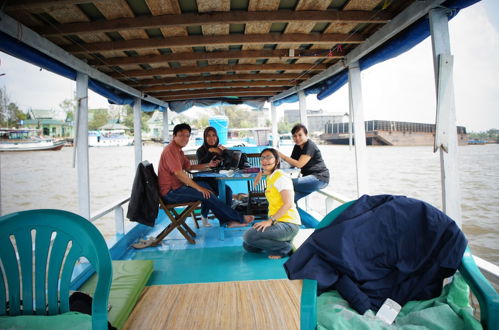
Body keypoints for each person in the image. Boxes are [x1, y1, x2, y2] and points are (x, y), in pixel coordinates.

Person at [158, 123, 253, 228]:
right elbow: (179, 173)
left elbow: (189, 167)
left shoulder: (178, 150)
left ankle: (228, 221)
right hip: (171, 193)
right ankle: (238, 218)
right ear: (174, 136)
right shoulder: (170, 150)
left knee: (213, 192)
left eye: (187, 135)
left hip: (178, 189)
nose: (184, 138)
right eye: (181, 135)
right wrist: (200, 189)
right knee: (207, 194)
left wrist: (209, 164)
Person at [243, 148, 301, 259]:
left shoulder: (281, 177)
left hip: (288, 224)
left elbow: (288, 203)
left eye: (269, 157)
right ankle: (282, 242)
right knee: (248, 245)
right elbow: (265, 170)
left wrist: (270, 221)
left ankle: (284, 248)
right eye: (263, 158)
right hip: (277, 224)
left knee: (248, 236)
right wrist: (260, 173)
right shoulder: (271, 177)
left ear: (277, 160)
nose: (265, 160)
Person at [277, 124, 330, 202]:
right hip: (308, 178)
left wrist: (282, 155)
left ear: (306, 135)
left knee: (286, 183)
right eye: (294, 136)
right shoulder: (297, 147)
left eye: (300, 135)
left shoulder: (310, 145)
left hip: (319, 178)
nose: (297, 138)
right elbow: (292, 163)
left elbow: (299, 164)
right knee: (288, 199)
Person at [195, 126, 233, 226]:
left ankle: (227, 216)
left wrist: (226, 152)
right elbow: (201, 164)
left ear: (217, 137)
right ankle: (204, 215)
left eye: (214, 135)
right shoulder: (200, 151)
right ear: (205, 137)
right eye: (208, 136)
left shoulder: (220, 149)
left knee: (228, 191)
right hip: (201, 180)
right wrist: (210, 152)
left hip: (214, 179)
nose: (212, 138)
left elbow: (230, 161)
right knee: (209, 192)